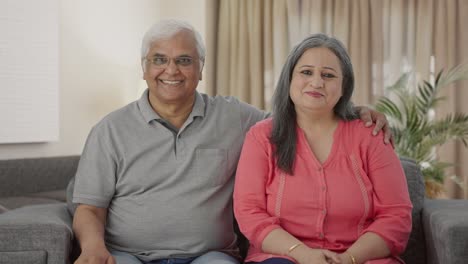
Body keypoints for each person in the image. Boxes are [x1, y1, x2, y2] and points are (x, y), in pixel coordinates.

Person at [72, 20, 393, 264]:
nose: (171, 70)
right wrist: (92, 247)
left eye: (185, 60)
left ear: (200, 69)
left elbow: (302, 112)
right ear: (144, 69)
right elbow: (89, 208)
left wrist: (355, 111)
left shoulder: (237, 118)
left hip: (210, 256)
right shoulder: (110, 130)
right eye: (159, 60)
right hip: (129, 255)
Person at [233, 33, 412, 264]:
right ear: (289, 78)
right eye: (306, 72)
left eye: (328, 75)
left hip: (361, 259)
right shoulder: (262, 136)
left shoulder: (371, 135)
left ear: (343, 86)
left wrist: (348, 258)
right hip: (282, 256)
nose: (316, 82)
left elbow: (396, 216)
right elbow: (249, 212)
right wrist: (303, 254)